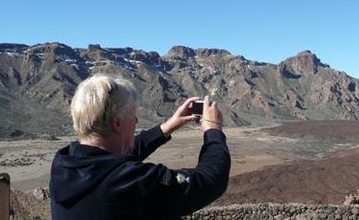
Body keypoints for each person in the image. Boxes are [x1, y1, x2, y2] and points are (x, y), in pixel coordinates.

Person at [49, 74, 231, 220]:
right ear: (118, 123)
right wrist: (213, 130)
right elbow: (210, 180)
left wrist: (166, 128)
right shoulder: (134, 182)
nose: (136, 121)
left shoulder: (64, 164)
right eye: (132, 114)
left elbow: (114, 161)